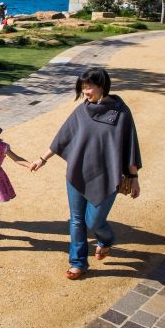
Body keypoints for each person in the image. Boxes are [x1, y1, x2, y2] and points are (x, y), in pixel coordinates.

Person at [31, 68, 142, 280]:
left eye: (89, 87)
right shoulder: (82, 111)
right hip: (77, 175)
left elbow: (130, 147)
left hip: (107, 177)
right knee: (76, 220)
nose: (85, 92)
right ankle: (78, 263)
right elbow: (62, 139)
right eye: (82, 88)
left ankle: (106, 240)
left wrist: (134, 178)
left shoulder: (121, 113)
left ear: (102, 86)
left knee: (95, 222)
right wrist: (42, 159)